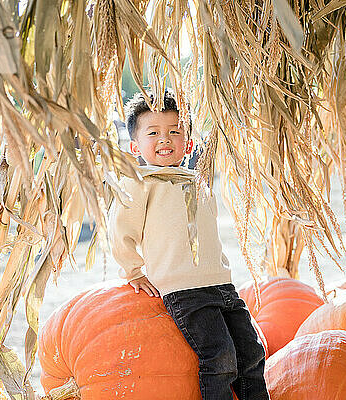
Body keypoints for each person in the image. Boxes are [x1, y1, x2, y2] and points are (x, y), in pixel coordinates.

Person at [108, 89, 269, 399]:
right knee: (219, 357)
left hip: (221, 283)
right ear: (134, 146)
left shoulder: (198, 181)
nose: (165, 139)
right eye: (153, 133)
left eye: (174, 131)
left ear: (189, 142)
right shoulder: (140, 183)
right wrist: (134, 270)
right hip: (184, 289)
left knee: (251, 353)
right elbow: (120, 229)